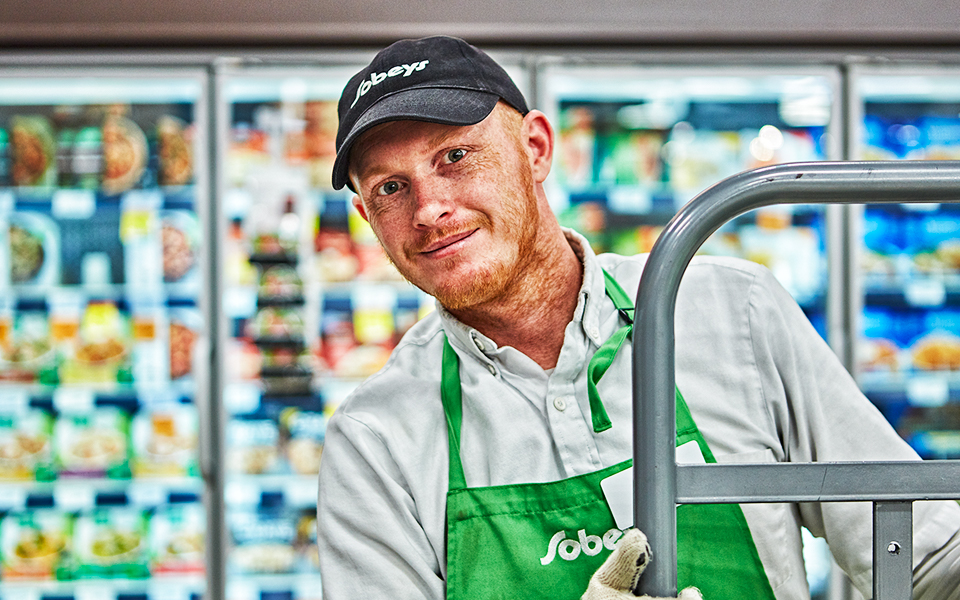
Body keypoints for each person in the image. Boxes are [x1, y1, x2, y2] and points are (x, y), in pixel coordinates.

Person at [316, 35, 960, 600]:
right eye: (390, 188)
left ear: (535, 148)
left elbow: (927, 556)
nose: (428, 209)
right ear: (369, 218)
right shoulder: (376, 441)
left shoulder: (730, 312)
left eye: (455, 157)